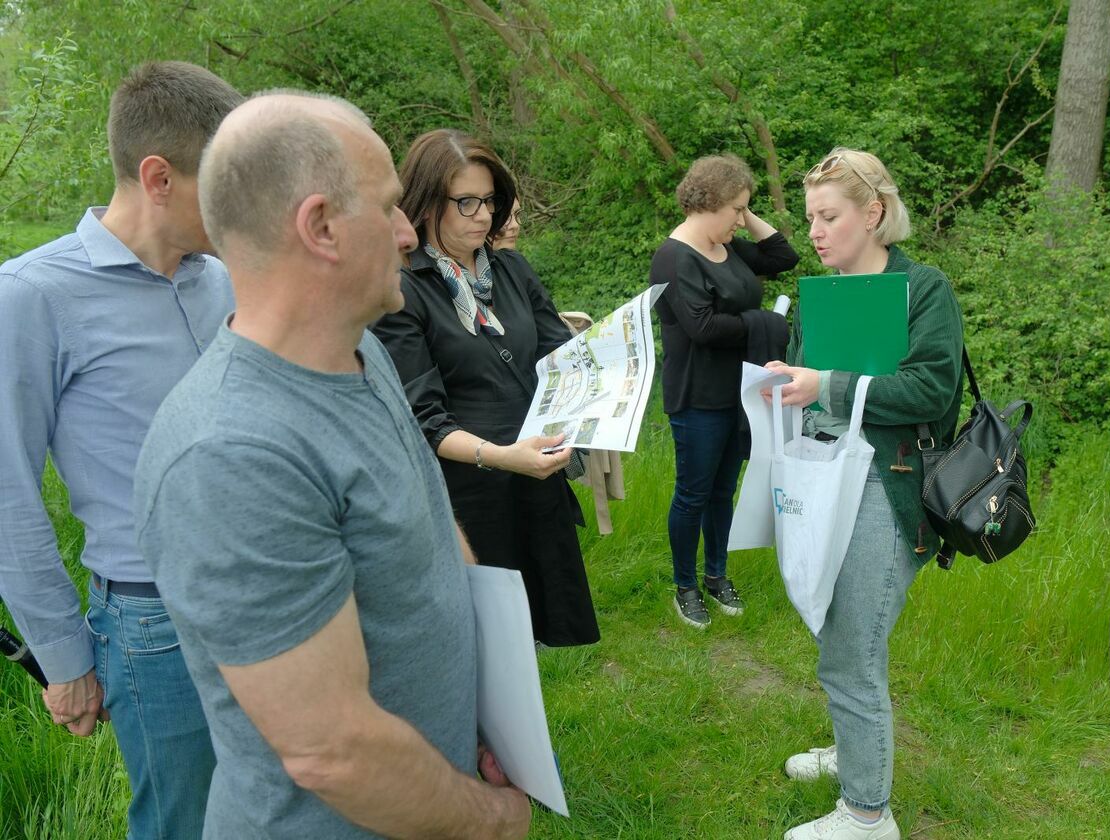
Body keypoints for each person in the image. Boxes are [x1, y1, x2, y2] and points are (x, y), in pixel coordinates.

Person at [132, 92, 530, 839]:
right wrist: (489, 822)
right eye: (388, 209)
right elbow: (331, 750)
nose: (410, 234)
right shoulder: (232, 456)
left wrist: (486, 709)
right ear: (319, 227)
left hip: (427, 799)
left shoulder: (361, 348)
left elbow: (429, 519)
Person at [0, 61, 241, 838]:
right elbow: (7, 490)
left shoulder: (228, 281)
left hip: (267, 597)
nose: (244, 204)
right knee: (183, 823)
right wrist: (64, 656)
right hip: (153, 624)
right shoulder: (33, 295)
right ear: (158, 177)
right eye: (225, 180)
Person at [766, 148, 964, 840]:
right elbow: (811, 390)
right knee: (834, 624)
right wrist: (785, 383)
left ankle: (867, 814)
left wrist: (829, 384)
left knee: (851, 646)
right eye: (811, 216)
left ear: (874, 213)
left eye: (829, 216)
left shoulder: (923, 288)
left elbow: (933, 392)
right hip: (824, 481)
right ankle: (856, 747)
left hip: (892, 488)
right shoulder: (823, 294)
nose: (814, 232)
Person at [372, 129, 599, 648]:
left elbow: (559, 358)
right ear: (427, 202)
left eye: (490, 200)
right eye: (467, 202)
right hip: (468, 498)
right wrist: (500, 456)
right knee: (479, 649)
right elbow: (422, 421)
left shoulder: (512, 270)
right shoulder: (405, 289)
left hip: (534, 476)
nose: (483, 215)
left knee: (530, 641)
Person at [651, 153, 799, 628]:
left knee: (723, 490)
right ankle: (685, 585)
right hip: (696, 395)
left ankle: (716, 575)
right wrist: (765, 322)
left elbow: (782, 256)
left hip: (739, 391)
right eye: (735, 208)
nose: (741, 219)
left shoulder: (728, 245)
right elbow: (702, 327)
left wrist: (744, 211)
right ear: (709, 202)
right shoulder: (674, 257)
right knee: (693, 494)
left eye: (744, 210)